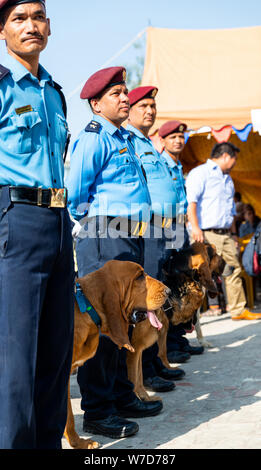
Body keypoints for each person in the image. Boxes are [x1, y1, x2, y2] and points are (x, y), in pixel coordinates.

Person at [67, 67, 163, 441]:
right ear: (96, 103)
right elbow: (77, 195)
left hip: (128, 238)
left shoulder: (122, 137)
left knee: (125, 323)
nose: (125, 98)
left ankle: (122, 396)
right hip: (105, 236)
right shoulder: (94, 138)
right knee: (104, 323)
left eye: (125, 92)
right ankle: (99, 410)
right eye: (116, 94)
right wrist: (99, 230)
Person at [0, 0, 74, 449]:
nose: (32, 26)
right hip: (15, 220)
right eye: (19, 19)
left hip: (58, 222)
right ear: (2, 30)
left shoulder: (53, 92)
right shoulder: (3, 86)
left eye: (39, 17)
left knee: (54, 351)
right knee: (15, 356)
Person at [127, 88, 186, 394]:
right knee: (147, 302)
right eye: (143, 106)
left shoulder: (149, 145)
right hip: (145, 228)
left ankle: (156, 360)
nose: (150, 111)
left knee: (160, 300)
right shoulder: (128, 142)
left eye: (153, 106)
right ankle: (146, 369)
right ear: (130, 108)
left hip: (164, 228)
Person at [186, 141, 261, 321]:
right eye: (235, 159)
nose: (235, 162)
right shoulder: (200, 173)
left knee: (233, 269)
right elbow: (191, 203)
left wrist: (234, 234)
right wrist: (195, 228)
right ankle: (190, 315)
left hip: (226, 233)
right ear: (226, 156)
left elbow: (231, 212)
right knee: (200, 274)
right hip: (205, 232)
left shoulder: (228, 179)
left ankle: (238, 310)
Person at [158, 120, 204, 360]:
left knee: (181, 284)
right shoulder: (160, 163)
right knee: (169, 287)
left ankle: (179, 339)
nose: (178, 140)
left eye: (180, 137)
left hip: (179, 229)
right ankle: (170, 345)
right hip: (164, 229)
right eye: (173, 137)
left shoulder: (177, 166)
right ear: (163, 140)